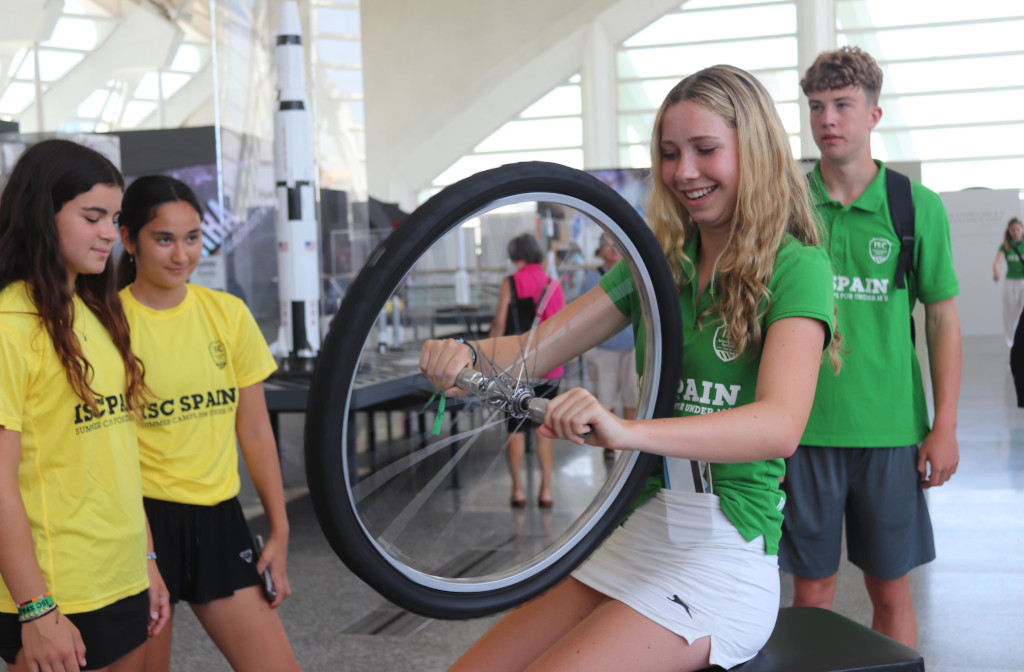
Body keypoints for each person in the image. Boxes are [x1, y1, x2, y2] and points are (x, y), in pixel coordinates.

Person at [420, 64, 840, 671]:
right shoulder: (657, 265)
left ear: (756, 150)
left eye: (705, 150)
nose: (684, 172)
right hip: (639, 528)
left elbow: (779, 426)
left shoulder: (798, 267)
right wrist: (463, 356)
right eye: (670, 154)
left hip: (723, 551)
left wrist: (627, 429)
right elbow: (534, 350)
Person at [779, 46, 962, 649]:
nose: (827, 118)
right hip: (803, 431)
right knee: (811, 593)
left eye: (842, 105)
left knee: (891, 590)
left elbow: (941, 320)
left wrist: (945, 426)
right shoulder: (788, 209)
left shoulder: (916, 207)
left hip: (889, 432)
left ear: (874, 115)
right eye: (816, 106)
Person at [115, 175, 301, 672]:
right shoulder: (108, 324)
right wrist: (144, 554)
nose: (181, 255)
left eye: (192, 237)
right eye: (164, 239)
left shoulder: (228, 315)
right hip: (141, 525)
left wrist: (279, 531)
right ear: (128, 239)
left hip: (219, 520)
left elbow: (256, 431)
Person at [0, 139, 170, 671]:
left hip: (121, 573)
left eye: (113, 218)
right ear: (40, 215)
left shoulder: (95, 310)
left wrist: (147, 561)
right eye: (91, 216)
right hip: (59, 593)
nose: (107, 233)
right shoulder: (9, 325)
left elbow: (117, 455)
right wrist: (37, 609)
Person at [487, 233, 565, 508]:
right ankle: (546, 489)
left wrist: (487, 356)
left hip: (516, 367)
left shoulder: (511, 282)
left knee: (515, 427)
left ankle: (518, 489)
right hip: (549, 367)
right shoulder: (553, 284)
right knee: (545, 426)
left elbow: (499, 323)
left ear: (515, 256)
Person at [579, 233, 638, 459]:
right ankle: (610, 444)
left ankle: (631, 442)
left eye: (617, 246)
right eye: (608, 246)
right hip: (603, 349)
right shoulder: (592, 279)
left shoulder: (634, 274)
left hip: (632, 345)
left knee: (632, 395)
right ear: (601, 250)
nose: (613, 250)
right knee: (606, 397)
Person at [993, 217, 1024, 347]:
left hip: (1023, 282)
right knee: (1010, 311)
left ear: (1022, 230)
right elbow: (998, 261)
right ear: (1009, 231)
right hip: (1011, 282)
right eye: (1013, 230)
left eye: (1018, 229)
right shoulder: (1006, 246)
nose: (1015, 232)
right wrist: (996, 270)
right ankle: (1011, 341)